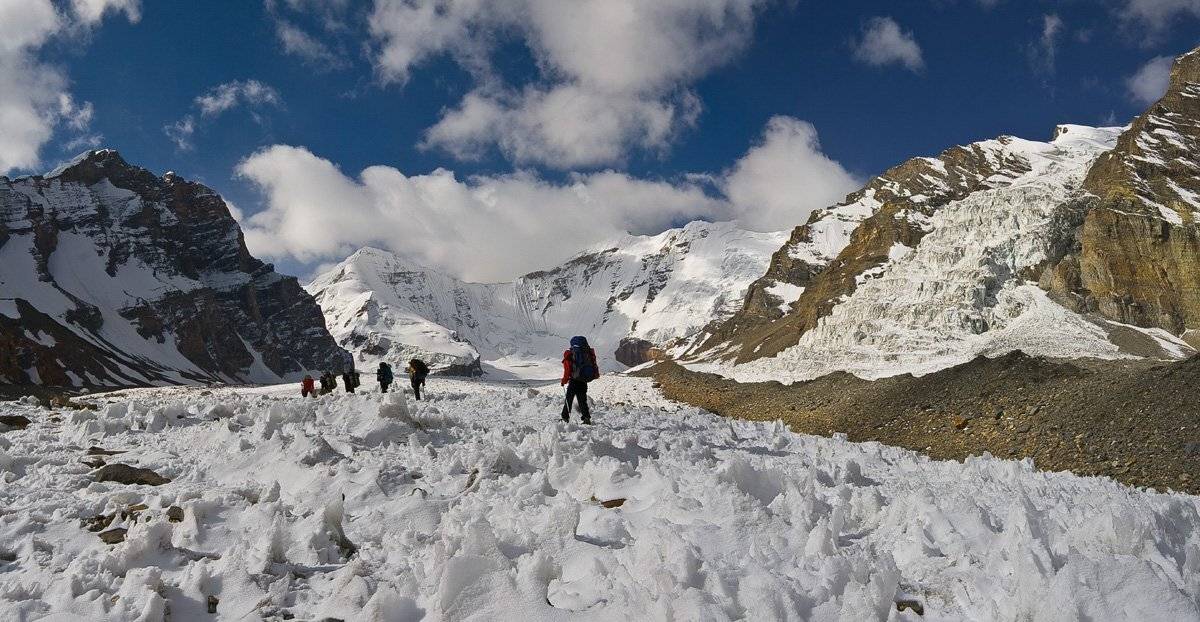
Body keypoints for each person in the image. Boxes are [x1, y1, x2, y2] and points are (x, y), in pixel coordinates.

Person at [561, 336, 599, 424]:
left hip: (574, 380)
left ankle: (565, 417)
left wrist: (564, 381)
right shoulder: (587, 352)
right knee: (582, 400)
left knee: (569, 398)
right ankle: (586, 418)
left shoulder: (570, 353)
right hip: (584, 379)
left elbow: (567, 370)